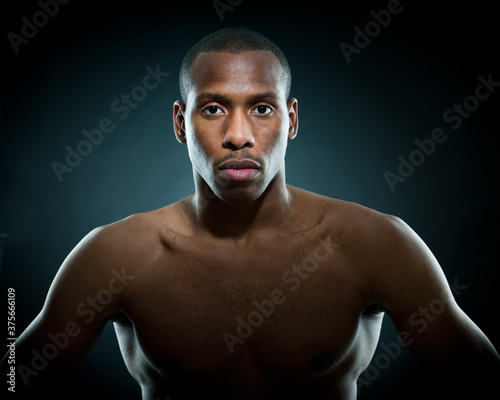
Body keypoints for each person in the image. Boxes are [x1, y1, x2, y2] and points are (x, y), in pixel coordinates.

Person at [2, 27, 499, 400]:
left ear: (292, 120)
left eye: (261, 108)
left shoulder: (375, 244)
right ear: (181, 122)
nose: (238, 135)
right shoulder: (117, 253)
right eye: (213, 108)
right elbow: (13, 378)